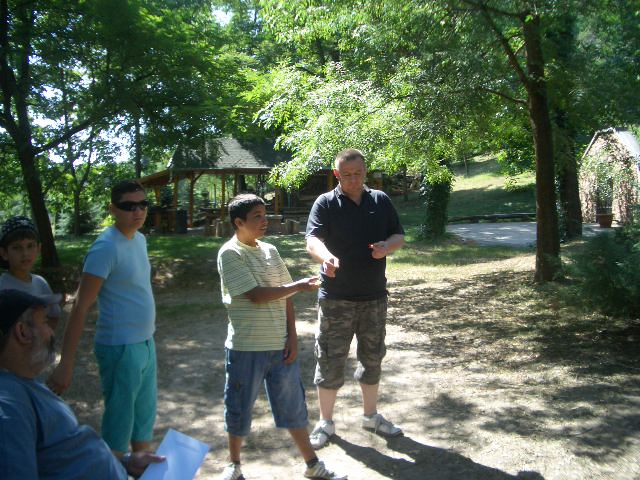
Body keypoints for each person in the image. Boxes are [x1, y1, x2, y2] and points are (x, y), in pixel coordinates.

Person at [216, 193, 346, 480]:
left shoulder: (270, 250)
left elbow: (284, 294)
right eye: (257, 217)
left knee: (293, 408)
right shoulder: (230, 253)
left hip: (279, 346)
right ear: (238, 222)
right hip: (246, 347)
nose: (265, 221)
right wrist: (298, 286)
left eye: (265, 215)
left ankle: (312, 464)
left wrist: (292, 337)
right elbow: (255, 295)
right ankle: (234, 466)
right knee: (238, 407)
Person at [0, 288, 165, 479]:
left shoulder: (24, 386)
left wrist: (125, 462)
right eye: (44, 322)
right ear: (22, 332)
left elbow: (67, 457)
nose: (51, 331)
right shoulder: (9, 406)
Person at [47, 180, 158, 457]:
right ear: (113, 209)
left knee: (143, 427)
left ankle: (140, 469)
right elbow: (80, 306)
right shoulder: (105, 248)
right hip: (119, 347)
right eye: (128, 206)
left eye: (143, 204)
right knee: (118, 433)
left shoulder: (139, 239)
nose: (138, 211)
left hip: (146, 343)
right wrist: (66, 364)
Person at [305, 148, 405, 449]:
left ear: (365, 172)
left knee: (373, 357)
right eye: (346, 175)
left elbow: (398, 235)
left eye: (357, 174)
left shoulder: (380, 200)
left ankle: (371, 416)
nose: (352, 179)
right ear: (337, 174)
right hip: (336, 299)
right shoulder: (325, 203)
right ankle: (325, 422)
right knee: (330, 359)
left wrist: (387, 247)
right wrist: (326, 257)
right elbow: (312, 240)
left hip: (374, 297)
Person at [0, 216, 62, 329]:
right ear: (4, 253)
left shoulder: (40, 282)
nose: (25, 253)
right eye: (16, 247)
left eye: (30, 246)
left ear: (38, 249)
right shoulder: (2, 287)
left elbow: (54, 316)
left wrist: (41, 335)